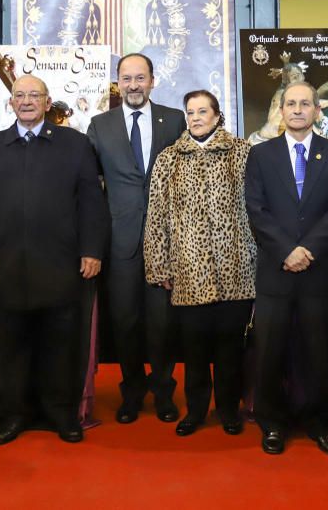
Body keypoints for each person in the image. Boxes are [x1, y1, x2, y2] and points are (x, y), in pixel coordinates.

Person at [0, 74, 109, 445]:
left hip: (61, 266)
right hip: (6, 267)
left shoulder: (75, 145)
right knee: (10, 346)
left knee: (60, 345)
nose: (26, 101)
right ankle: (14, 415)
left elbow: (91, 202)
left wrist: (92, 250)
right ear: (11, 102)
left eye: (34, 95)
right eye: (20, 95)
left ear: (48, 102)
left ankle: (62, 415)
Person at [244, 81, 328, 455]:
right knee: (270, 351)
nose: (296, 110)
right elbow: (256, 210)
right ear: (281, 109)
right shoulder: (261, 155)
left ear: (316, 111)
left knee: (320, 351)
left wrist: (308, 249)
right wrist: (286, 251)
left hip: (318, 269)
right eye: (290, 103)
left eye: (304, 103)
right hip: (276, 270)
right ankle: (272, 423)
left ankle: (320, 422)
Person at [144, 90, 256, 436]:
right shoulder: (169, 159)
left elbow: (259, 208)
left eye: (202, 111)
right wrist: (158, 266)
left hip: (236, 266)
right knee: (193, 349)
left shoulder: (242, 153)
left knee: (229, 346)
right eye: (190, 112)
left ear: (217, 115)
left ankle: (228, 410)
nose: (195, 117)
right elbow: (156, 216)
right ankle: (195, 410)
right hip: (187, 271)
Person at [87, 53, 185, 424]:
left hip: (166, 241)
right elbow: (89, 184)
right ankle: (131, 393)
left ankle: (163, 392)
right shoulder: (100, 125)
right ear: (118, 82)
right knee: (125, 322)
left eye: (140, 78)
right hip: (120, 241)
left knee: (162, 323)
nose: (133, 85)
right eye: (126, 78)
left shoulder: (175, 120)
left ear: (152, 81)